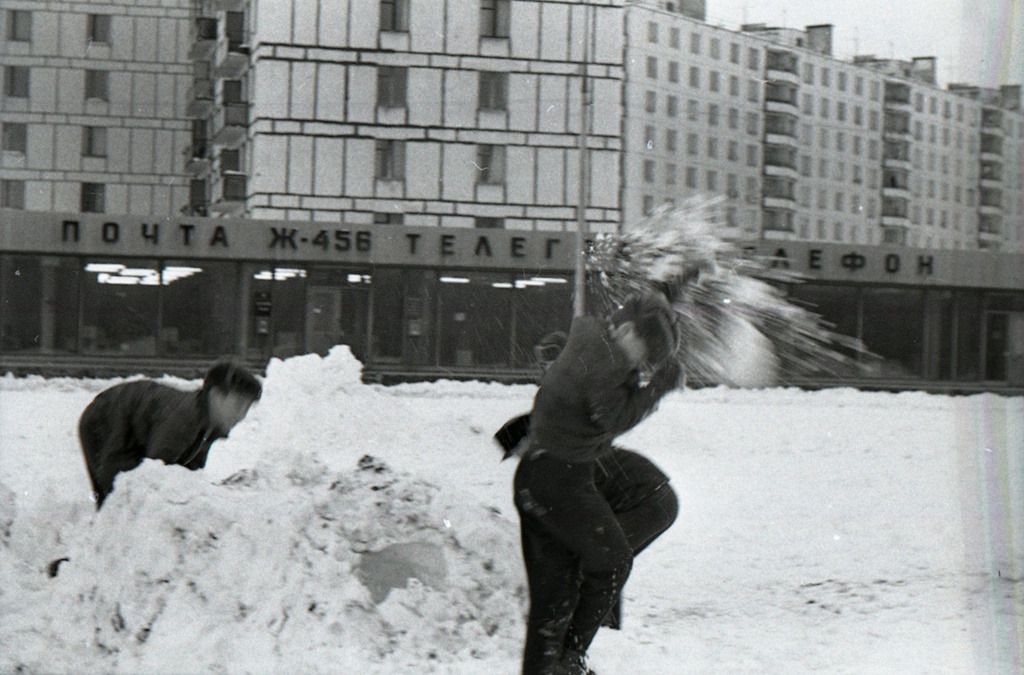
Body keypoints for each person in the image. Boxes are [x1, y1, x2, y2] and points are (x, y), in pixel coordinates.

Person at [505, 292, 682, 675]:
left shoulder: (594, 340)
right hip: (559, 480)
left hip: (542, 478)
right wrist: (658, 389)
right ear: (628, 331)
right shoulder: (603, 359)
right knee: (613, 561)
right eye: (644, 353)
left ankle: (555, 664)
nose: (642, 364)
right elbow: (613, 418)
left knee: (550, 607)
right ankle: (571, 657)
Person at [78, 360, 262, 509]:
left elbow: (187, 474)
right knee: (119, 496)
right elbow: (156, 473)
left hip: (133, 433)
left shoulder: (211, 426)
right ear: (215, 396)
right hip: (105, 420)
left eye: (246, 407)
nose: (241, 415)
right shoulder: (183, 418)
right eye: (238, 404)